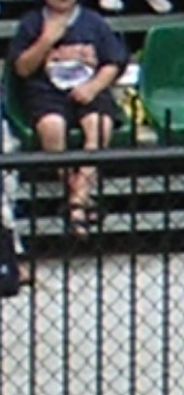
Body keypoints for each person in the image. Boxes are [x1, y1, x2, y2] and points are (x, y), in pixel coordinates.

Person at [7, 0, 127, 234]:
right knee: (52, 127)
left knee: (99, 124)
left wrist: (93, 87)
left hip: (88, 89)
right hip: (46, 92)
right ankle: (79, 200)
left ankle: (76, 200)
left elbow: (113, 63)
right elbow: (22, 69)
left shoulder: (94, 22)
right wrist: (46, 40)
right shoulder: (32, 23)